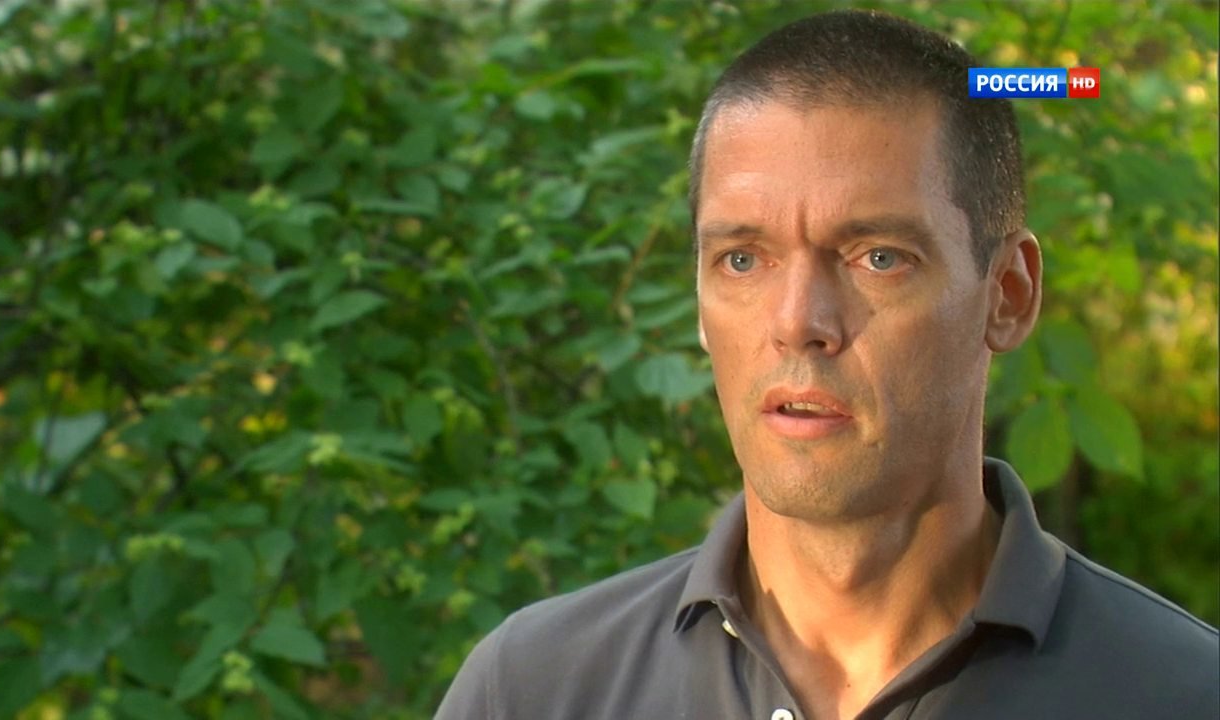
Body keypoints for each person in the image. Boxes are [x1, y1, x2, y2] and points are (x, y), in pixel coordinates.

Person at [434, 9, 1219, 720]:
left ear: (1008, 295)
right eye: (743, 259)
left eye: (878, 257)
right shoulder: (533, 691)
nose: (797, 323)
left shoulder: (1183, 694)